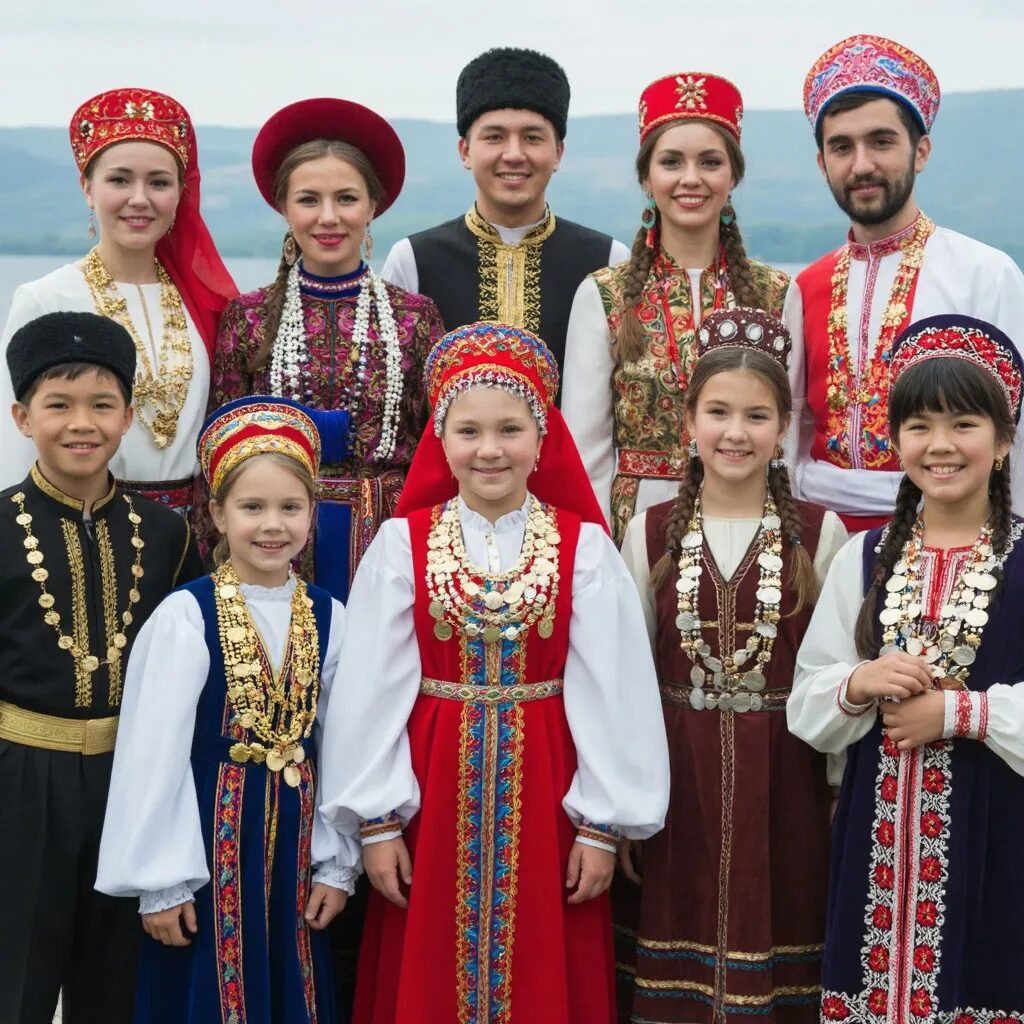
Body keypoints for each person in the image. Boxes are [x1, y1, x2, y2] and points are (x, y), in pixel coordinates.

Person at [318, 322, 669, 1023]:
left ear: (543, 440)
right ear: (440, 438)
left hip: (548, 788)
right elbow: (368, 692)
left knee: (543, 958)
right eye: (468, 431)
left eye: (511, 429)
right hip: (430, 790)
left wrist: (602, 825)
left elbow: (616, 692)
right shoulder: (402, 544)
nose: (489, 449)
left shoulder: (584, 549)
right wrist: (377, 823)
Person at [789, 315, 1024, 1018]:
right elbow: (808, 699)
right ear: (896, 442)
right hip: (876, 844)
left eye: (964, 424)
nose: (940, 444)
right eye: (920, 426)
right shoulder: (865, 558)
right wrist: (859, 683)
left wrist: (960, 711)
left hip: (998, 841)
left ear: (1003, 442)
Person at [96, 396, 357, 1024]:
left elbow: (343, 742)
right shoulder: (186, 615)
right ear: (216, 513)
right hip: (209, 848)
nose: (273, 525)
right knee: (210, 990)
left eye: (290, 507)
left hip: (296, 848)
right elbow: (152, 752)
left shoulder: (331, 615)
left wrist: (336, 863)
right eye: (252, 507)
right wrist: (161, 879)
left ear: (313, 511)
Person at [617, 307, 846, 1022]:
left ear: (784, 428)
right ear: (688, 420)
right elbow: (625, 681)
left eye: (757, 415)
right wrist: (623, 804)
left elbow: (838, 671)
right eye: (718, 412)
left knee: (783, 930)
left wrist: (837, 790)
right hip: (676, 779)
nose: (736, 432)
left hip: (787, 781)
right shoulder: (648, 531)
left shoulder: (821, 534)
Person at [0, 311, 202, 1024]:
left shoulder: (168, 533)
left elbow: (187, 673)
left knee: (118, 984)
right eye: (58, 405)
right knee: (15, 980)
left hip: (130, 783)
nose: (81, 424)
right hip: (20, 784)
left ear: (127, 418)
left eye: (102, 405)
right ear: (23, 418)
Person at [786, 35, 1024, 530]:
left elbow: (1016, 436)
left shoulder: (985, 274)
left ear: (921, 151)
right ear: (822, 163)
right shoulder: (804, 286)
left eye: (881, 141)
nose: (862, 165)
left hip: (949, 531)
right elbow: (790, 430)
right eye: (842, 147)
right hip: (818, 537)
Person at [210, 97, 443, 600]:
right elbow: (220, 455)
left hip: (391, 542)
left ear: (372, 206)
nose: (329, 217)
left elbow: (436, 446)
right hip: (276, 541)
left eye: (346, 198)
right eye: (309, 200)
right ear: (284, 208)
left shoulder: (414, 316)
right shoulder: (248, 318)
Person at [562, 72, 790, 544]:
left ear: (733, 176)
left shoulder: (777, 294)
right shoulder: (603, 294)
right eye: (671, 162)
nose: (691, 178)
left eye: (710, 162)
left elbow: (792, 435)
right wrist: (599, 554)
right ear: (647, 178)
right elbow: (586, 453)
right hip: (635, 526)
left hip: (751, 522)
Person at [0, 87, 237, 517]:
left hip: (190, 536)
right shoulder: (46, 298)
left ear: (180, 193)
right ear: (87, 188)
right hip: (81, 523)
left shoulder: (202, 303)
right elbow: (14, 445)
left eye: (159, 182)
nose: (140, 198)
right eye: (119, 180)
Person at [380, 47, 628, 383]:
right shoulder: (412, 261)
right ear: (465, 151)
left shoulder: (608, 262)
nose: (513, 154)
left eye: (532, 138)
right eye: (495, 137)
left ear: (558, 153)